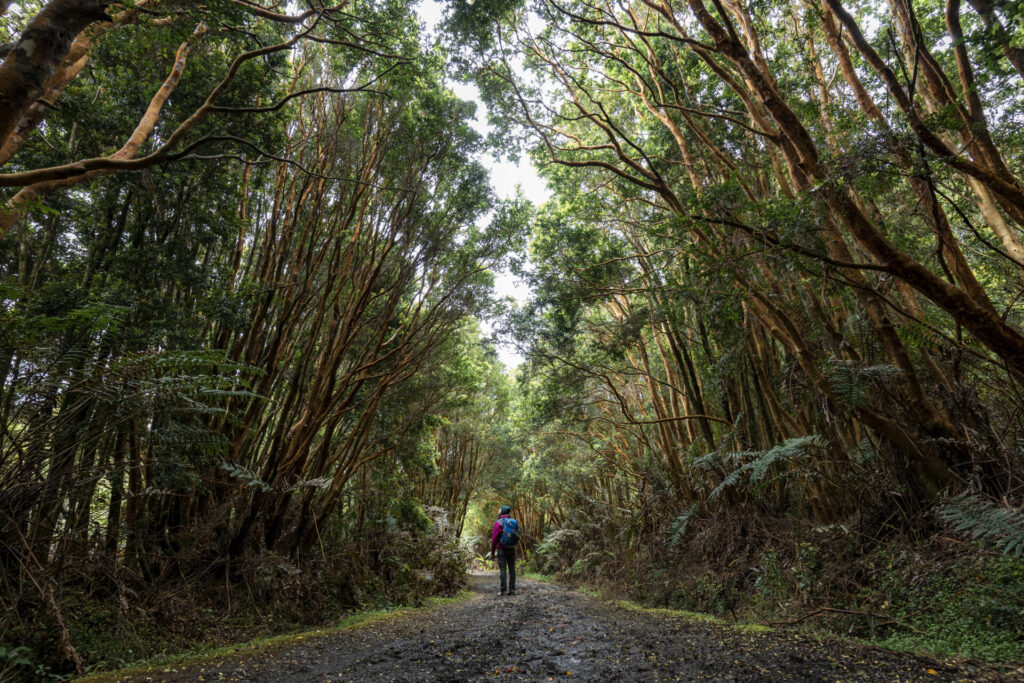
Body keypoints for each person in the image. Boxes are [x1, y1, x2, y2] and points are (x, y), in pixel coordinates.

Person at [490, 505, 518, 596]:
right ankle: (512, 590)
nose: (498, 510)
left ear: (502, 511)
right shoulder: (513, 522)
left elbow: (494, 539)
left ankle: (503, 590)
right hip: (511, 548)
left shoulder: (498, 523)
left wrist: (493, 552)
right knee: (512, 569)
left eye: (499, 509)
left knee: (503, 569)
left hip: (501, 548)